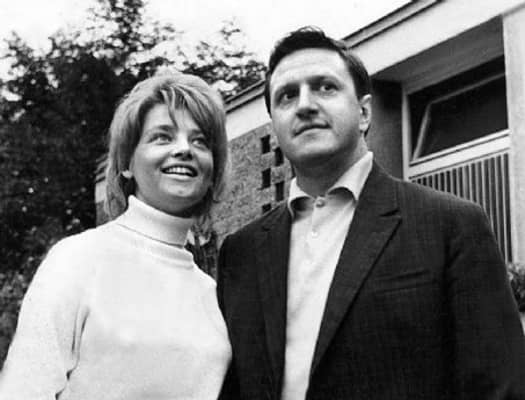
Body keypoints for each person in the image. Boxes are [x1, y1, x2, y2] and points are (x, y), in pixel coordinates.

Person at [217, 27, 525, 400]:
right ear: (275, 128)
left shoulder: (451, 225)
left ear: (363, 112)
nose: (305, 105)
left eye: (325, 87)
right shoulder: (240, 253)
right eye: (287, 96)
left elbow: (500, 387)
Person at [0, 73, 231, 399]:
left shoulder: (213, 295)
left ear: (212, 169)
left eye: (200, 141)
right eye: (162, 137)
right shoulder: (78, 259)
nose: (184, 149)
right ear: (127, 163)